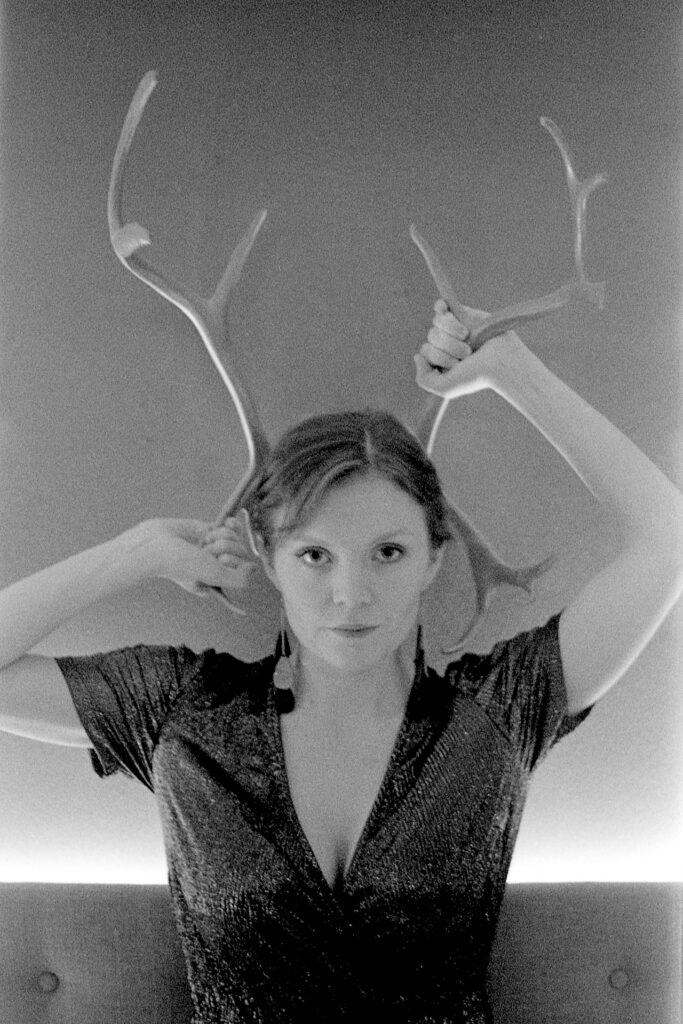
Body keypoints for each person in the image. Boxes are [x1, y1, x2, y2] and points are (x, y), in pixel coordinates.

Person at [1, 301, 681, 1023]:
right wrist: (134, 554)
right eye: (314, 554)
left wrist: (513, 372)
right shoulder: (183, 713)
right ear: (269, 557)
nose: (349, 594)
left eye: (387, 552)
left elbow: (669, 544)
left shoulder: (497, 713)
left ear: (432, 560)